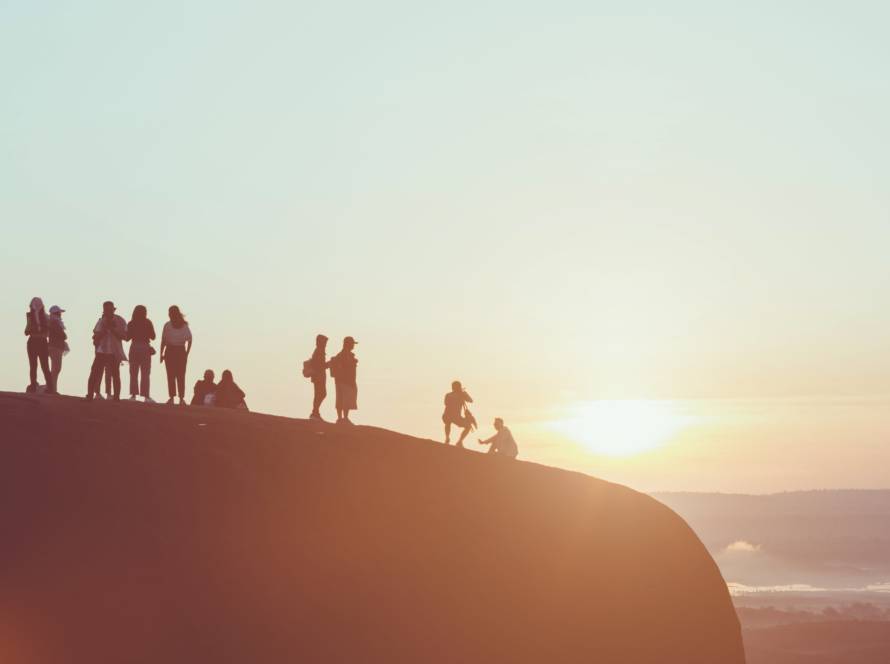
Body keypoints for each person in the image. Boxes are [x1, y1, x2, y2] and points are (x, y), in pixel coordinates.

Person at [86, 301, 127, 401]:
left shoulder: (120, 320)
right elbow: (95, 338)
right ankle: (90, 394)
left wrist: (113, 329)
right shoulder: (101, 321)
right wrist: (104, 330)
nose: (108, 312)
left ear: (113, 309)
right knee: (94, 372)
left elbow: (125, 336)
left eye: (110, 310)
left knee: (115, 374)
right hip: (102, 351)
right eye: (106, 310)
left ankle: (116, 397)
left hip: (114, 351)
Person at [160, 305, 192, 405]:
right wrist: (161, 353)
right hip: (172, 351)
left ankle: (179, 398)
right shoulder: (168, 325)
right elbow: (164, 340)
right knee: (173, 375)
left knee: (178, 375)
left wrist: (187, 353)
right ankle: (174, 397)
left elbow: (190, 339)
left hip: (177, 350)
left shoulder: (183, 326)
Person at [126, 305, 156, 402]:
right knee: (145, 373)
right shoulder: (147, 322)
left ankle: (133, 395)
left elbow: (127, 338)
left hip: (134, 347)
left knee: (133, 373)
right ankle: (146, 396)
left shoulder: (131, 323)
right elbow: (153, 336)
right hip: (145, 347)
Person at [24, 297, 51, 393]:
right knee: (44, 366)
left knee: (33, 366)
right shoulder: (46, 317)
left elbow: (26, 331)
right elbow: (47, 332)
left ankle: (33, 386)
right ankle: (50, 387)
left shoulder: (31, 316)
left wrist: (33, 330)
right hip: (41, 342)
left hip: (33, 342)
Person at [330, 336, 358, 424]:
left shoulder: (341, 355)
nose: (353, 345)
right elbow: (347, 367)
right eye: (352, 344)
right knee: (345, 399)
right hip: (346, 380)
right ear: (348, 344)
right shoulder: (346, 355)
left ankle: (340, 418)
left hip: (340, 380)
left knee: (340, 399)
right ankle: (344, 418)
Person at [442, 380, 476, 447]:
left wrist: (463, 394)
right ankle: (459, 441)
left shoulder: (448, 395)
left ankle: (447, 437)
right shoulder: (461, 395)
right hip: (455, 416)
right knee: (468, 426)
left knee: (447, 423)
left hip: (447, 415)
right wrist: (464, 394)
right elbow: (471, 400)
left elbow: (445, 403)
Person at [305, 334, 331, 420]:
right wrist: (329, 364)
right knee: (321, 394)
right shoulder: (319, 351)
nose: (326, 344)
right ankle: (314, 412)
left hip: (319, 376)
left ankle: (315, 412)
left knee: (320, 394)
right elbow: (320, 366)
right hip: (318, 376)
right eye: (325, 342)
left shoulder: (319, 350)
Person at [47, 305, 68, 394]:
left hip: (55, 346)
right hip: (55, 347)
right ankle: (52, 389)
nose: (60, 315)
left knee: (55, 369)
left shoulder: (53, 322)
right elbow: (62, 335)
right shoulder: (55, 322)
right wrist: (63, 335)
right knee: (56, 369)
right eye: (59, 313)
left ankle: (52, 388)